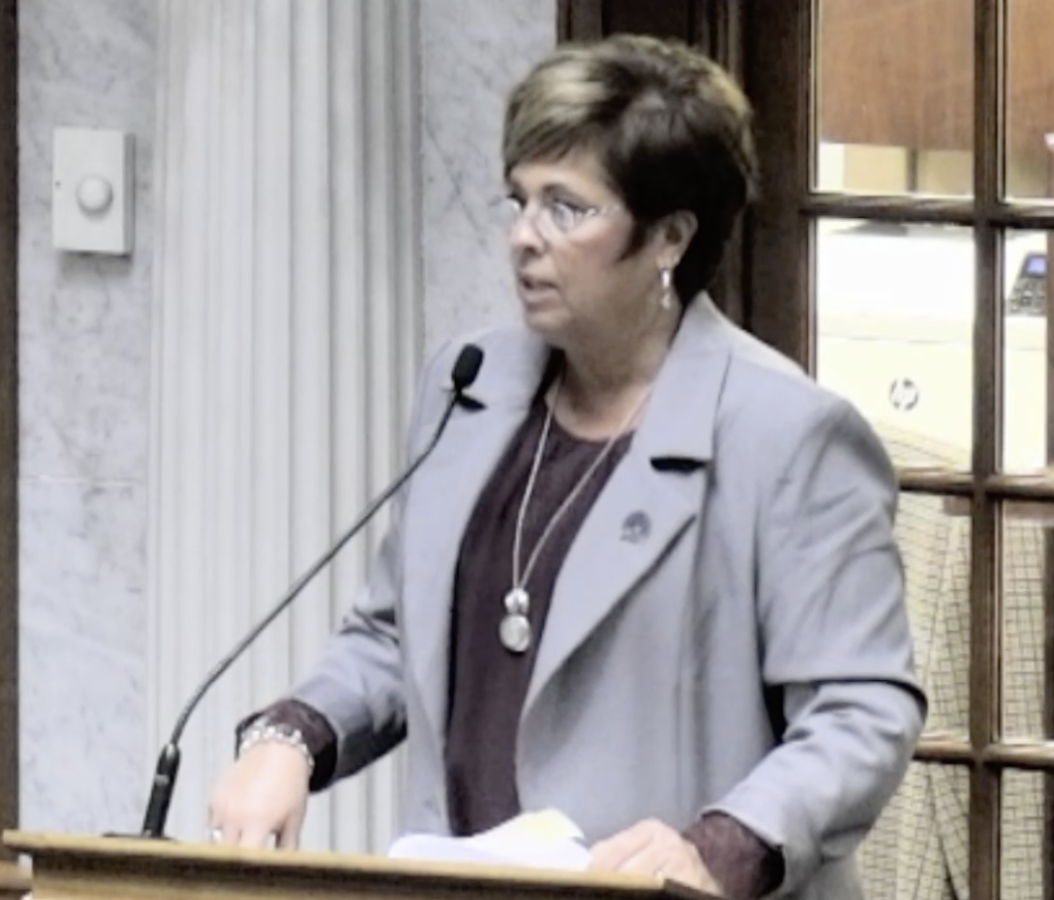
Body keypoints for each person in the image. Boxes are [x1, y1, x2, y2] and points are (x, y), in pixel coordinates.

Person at [207, 34, 926, 900]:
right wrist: (290, 737)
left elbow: (861, 713)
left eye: (566, 208)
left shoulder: (789, 434)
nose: (523, 239)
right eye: (518, 201)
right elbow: (395, 638)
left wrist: (720, 845)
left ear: (669, 237)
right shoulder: (465, 386)